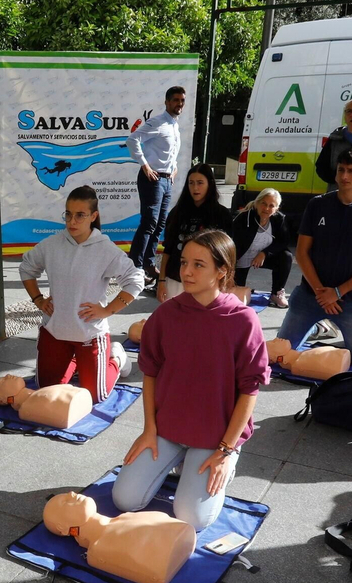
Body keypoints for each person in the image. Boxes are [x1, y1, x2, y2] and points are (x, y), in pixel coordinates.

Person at [114, 229, 266, 531]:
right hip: (168, 429)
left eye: (199, 264)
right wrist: (149, 430)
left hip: (216, 436)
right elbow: (151, 374)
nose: (186, 271)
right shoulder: (166, 314)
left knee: (191, 519)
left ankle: (220, 464)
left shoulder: (243, 320)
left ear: (222, 270)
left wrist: (225, 451)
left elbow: (250, 390)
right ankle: (181, 464)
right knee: (124, 500)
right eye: (184, 262)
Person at [18, 186, 143, 403]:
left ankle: (116, 357)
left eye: (80, 215)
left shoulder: (105, 249)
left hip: (89, 333)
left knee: (97, 395)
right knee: (45, 390)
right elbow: (27, 267)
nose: (72, 221)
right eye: (68, 214)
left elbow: (136, 280)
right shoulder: (52, 244)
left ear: (93, 216)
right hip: (55, 331)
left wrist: (107, 310)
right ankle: (75, 361)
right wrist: (38, 299)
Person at [275, 148, 352, 368]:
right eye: (341, 170)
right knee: (281, 353)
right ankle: (318, 327)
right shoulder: (318, 204)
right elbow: (302, 252)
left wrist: (337, 292)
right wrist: (321, 293)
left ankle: (324, 331)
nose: (345, 176)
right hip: (312, 295)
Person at [126, 85, 187, 282]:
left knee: (160, 224)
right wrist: (145, 165)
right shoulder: (158, 122)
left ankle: (148, 264)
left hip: (166, 180)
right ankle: (134, 267)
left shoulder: (174, 125)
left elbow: (169, 152)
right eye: (176, 100)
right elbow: (133, 139)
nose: (179, 104)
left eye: (182, 100)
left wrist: (174, 167)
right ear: (167, 102)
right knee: (149, 223)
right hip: (151, 179)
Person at [155, 165, 231, 302]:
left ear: (210, 184)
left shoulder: (222, 215)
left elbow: (226, 255)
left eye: (200, 183)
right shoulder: (177, 213)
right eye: (191, 183)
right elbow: (168, 249)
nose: (195, 188)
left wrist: (225, 284)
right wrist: (161, 281)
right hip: (175, 279)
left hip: (207, 283)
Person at [229, 188, 292, 308]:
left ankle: (276, 293)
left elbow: (283, 241)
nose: (267, 208)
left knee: (286, 256)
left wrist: (265, 253)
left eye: (271, 205)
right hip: (241, 258)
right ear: (257, 203)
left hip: (262, 257)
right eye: (263, 203)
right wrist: (230, 267)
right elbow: (231, 244)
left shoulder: (279, 219)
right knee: (236, 301)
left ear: (276, 208)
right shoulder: (243, 218)